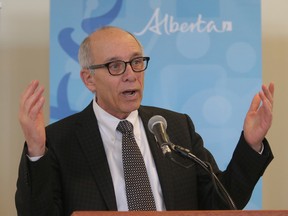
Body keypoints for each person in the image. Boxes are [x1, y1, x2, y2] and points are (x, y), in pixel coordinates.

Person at [16, 26, 274, 216]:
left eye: (137, 62)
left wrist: (251, 146)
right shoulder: (59, 140)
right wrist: (37, 151)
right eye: (115, 66)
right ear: (89, 79)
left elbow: (221, 204)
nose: (131, 75)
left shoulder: (176, 128)